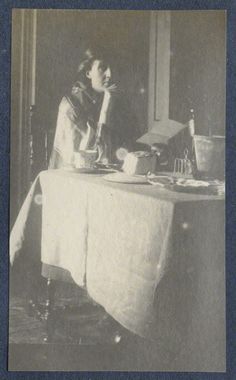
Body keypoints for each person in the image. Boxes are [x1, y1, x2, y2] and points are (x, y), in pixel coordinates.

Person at [49, 48, 137, 168]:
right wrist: (106, 108)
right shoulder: (71, 105)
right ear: (88, 73)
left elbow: (127, 147)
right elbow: (87, 157)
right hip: (74, 176)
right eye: (103, 67)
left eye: (113, 68)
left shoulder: (116, 100)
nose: (110, 74)